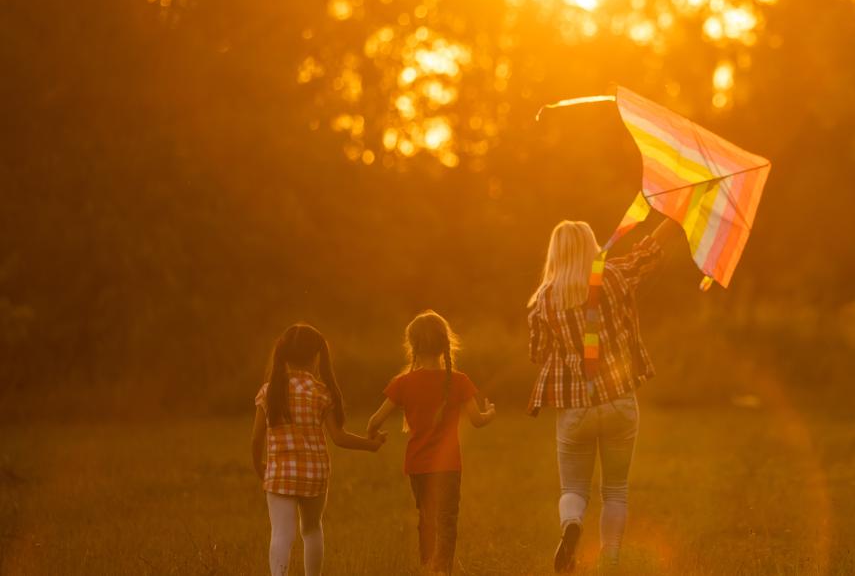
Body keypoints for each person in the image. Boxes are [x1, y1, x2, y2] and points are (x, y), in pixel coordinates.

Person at [527, 218, 672, 572]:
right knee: (616, 489)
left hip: (576, 409)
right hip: (619, 401)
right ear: (592, 246)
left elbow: (537, 352)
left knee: (573, 488)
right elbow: (646, 254)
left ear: (555, 252)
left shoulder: (543, 300)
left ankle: (572, 525)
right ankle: (611, 560)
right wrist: (672, 217)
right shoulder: (613, 276)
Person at [366, 310, 496, 575]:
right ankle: (442, 571)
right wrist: (490, 412)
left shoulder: (402, 383)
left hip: (418, 466)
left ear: (412, 345)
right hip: (449, 467)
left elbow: (374, 421)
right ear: (445, 344)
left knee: (427, 519)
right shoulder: (459, 381)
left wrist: (373, 437)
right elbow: (478, 420)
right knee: (447, 520)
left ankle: (427, 567)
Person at [251, 323, 386, 576]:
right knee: (312, 529)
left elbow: (256, 439)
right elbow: (339, 437)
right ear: (316, 357)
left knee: (281, 534)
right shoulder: (321, 393)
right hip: (315, 473)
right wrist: (372, 445)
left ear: (284, 354)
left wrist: (259, 467)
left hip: (280, 474)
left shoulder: (269, 392)